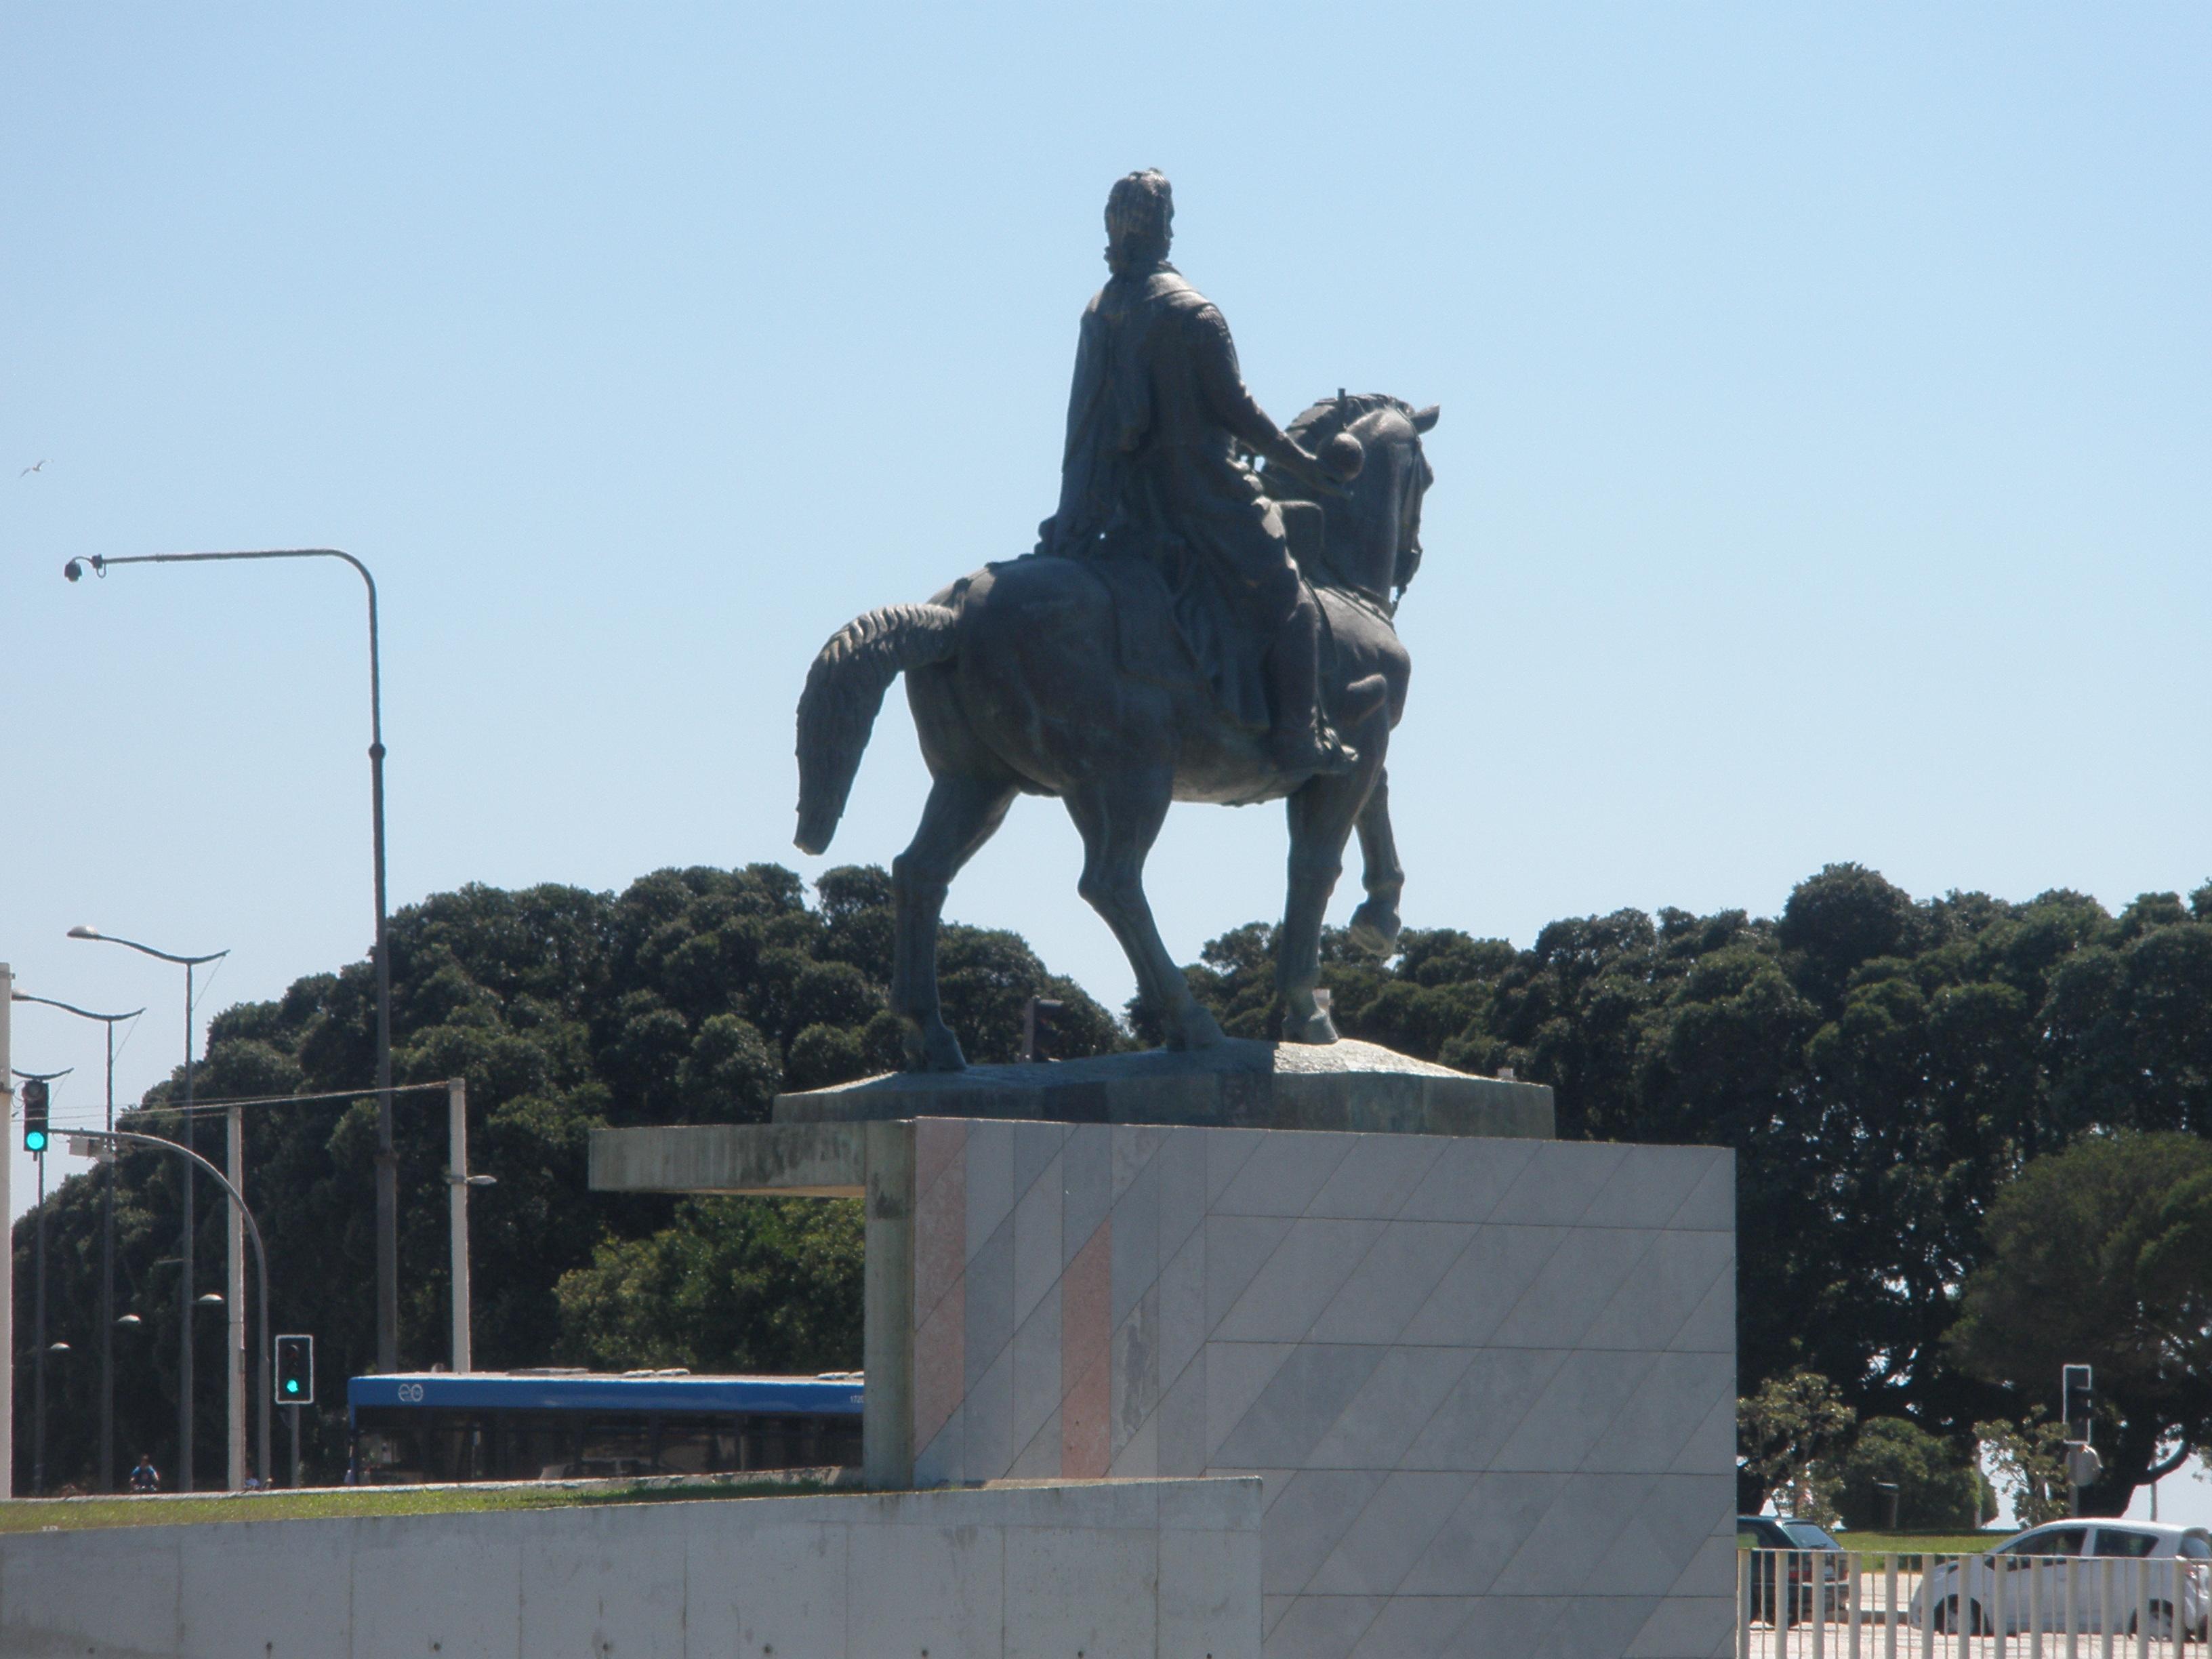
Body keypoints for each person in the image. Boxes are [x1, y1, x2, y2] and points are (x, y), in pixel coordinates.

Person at [1039, 169, 1357, 775]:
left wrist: (1079, 515)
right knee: (1291, 598)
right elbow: (1238, 412)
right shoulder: (1194, 314)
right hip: (1204, 502)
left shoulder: (1100, 310)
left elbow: (1083, 428)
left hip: (1125, 508)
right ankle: (1296, 734)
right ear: (1161, 228)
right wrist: (1308, 468)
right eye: (1170, 219)